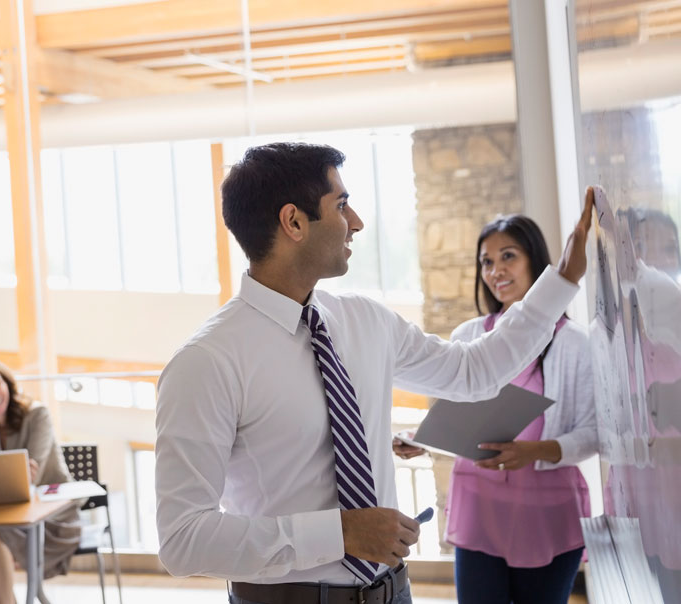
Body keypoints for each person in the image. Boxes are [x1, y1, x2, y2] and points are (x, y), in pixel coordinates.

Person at [154, 142, 594, 604]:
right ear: (294, 222)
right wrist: (338, 533)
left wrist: (562, 279)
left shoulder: (366, 321)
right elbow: (183, 540)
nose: (357, 222)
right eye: (341, 205)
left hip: (392, 592)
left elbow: (475, 372)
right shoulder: (206, 362)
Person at [393, 215, 597, 604]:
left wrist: (532, 452)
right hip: (478, 510)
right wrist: (423, 439)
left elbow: (595, 434)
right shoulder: (468, 337)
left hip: (545, 514)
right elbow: (458, 419)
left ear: (535, 261)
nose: (496, 271)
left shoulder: (573, 344)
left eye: (508, 256)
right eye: (487, 262)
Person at [0, 356, 81, 604]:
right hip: (9, 516)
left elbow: (30, 473)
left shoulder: (37, 415)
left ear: (7, 383)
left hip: (51, 516)